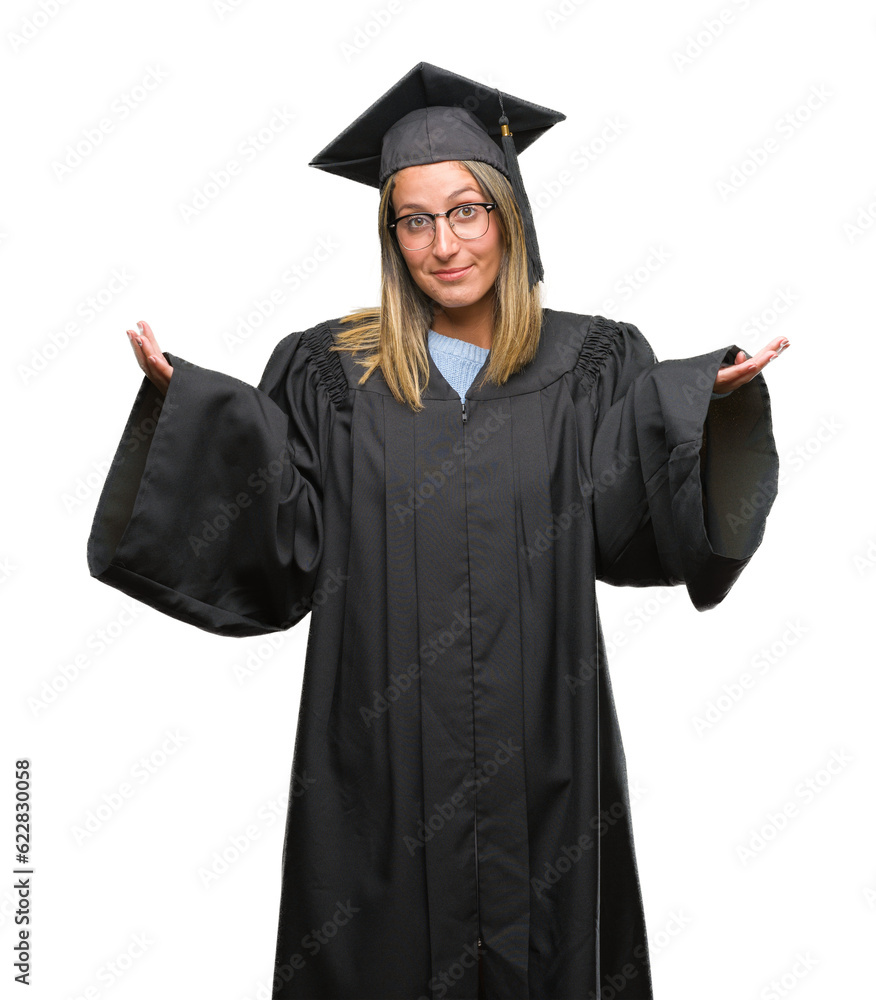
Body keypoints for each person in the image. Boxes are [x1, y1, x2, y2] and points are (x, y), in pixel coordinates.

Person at [88, 62, 788, 1000]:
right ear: (390, 236)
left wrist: (699, 409)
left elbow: (630, 530)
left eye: (466, 211)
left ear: (510, 214)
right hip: (376, 767)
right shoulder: (328, 372)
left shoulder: (593, 364)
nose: (443, 243)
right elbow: (285, 551)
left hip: (545, 757)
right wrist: (202, 416)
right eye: (414, 219)